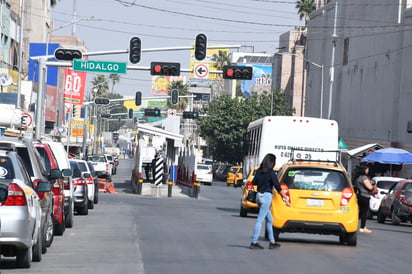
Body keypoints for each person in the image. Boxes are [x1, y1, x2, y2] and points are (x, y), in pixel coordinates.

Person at [250, 153, 290, 250]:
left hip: (259, 196)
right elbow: (277, 186)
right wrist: (285, 197)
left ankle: (272, 242)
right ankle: (254, 242)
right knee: (260, 220)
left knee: (270, 219)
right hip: (266, 197)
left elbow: (254, 182)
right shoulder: (272, 173)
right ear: (272, 163)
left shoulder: (259, 172)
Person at [354, 165, 376, 233]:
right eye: (367, 169)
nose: (368, 171)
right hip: (364, 196)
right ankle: (363, 227)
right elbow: (369, 187)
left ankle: (355, 223)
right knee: (364, 212)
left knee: (360, 212)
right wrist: (373, 185)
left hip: (359, 196)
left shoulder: (357, 178)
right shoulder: (364, 178)